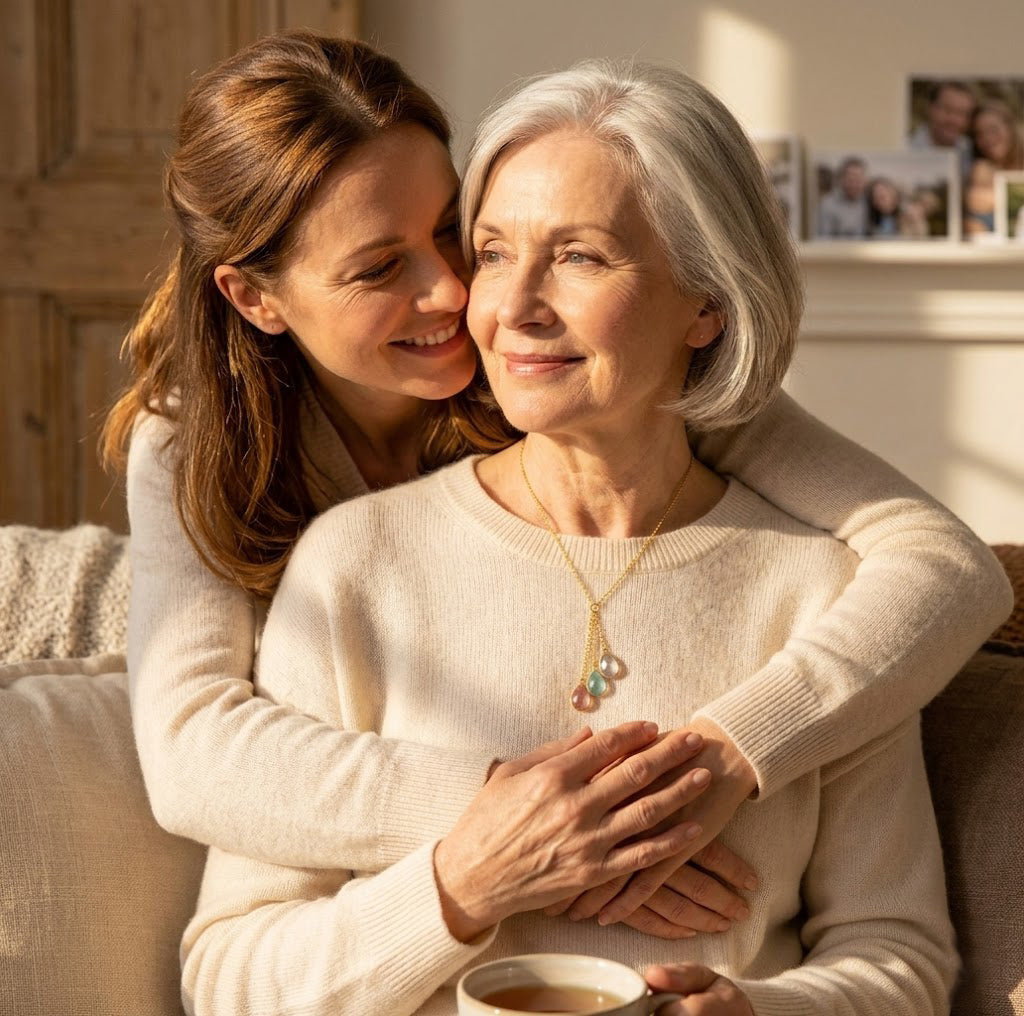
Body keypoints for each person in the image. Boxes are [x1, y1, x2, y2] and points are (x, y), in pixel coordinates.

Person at [104, 31, 1009, 947]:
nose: (456, 294)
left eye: (455, 235)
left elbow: (944, 565)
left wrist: (727, 755)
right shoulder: (193, 448)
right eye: (379, 268)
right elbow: (191, 755)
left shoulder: (591, 379)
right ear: (255, 298)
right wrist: (529, 820)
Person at [964, 99, 1024, 236]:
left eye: (993, 129)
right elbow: (974, 202)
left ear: (1010, 128)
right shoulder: (981, 168)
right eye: (980, 134)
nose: (988, 139)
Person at [909, 79, 976, 178]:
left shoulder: (969, 150)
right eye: (947, 109)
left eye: (962, 113)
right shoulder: (906, 148)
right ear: (930, 108)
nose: (954, 120)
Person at [815, 156, 868, 237]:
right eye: (851, 179)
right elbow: (824, 238)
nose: (855, 184)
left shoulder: (868, 201)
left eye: (858, 180)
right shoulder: (827, 205)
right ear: (842, 179)